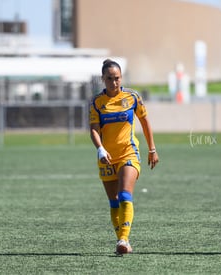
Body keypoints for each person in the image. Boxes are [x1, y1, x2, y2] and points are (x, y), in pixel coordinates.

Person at [89, 59, 159, 254]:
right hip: (107, 156)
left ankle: (123, 240)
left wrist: (152, 148)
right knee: (113, 201)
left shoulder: (132, 97)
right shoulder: (96, 103)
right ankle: (122, 239)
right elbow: (93, 130)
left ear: (122, 78)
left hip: (129, 152)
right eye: (109, 78)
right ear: (103, 79)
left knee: (125, 195)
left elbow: (144, 121)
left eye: (117, 78)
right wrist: (100, 149)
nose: (114, 82)